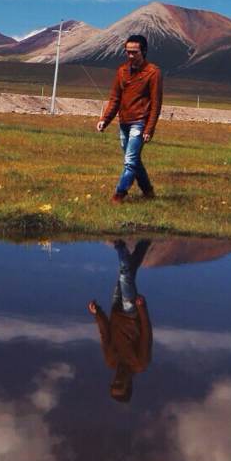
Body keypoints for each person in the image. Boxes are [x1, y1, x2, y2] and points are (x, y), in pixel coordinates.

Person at [96, 33, 162, 203]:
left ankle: (119, 194)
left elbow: (156, 104)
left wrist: (149, 129)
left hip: (139, 123)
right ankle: (148, 191)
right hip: (123, 122)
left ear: (144, 51)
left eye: (135, 52)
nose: (131, 55)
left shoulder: (153, 73)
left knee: (130, 161)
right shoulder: (122, 71)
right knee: (134, 161)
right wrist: (105, 119)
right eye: (128, 52)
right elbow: (115, 99)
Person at [88, 238, 152, 403]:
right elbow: (146, 335)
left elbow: (105, 334)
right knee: (125, 275)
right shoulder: (140, 363)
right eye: (120, 384)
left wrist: (97, 313)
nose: (116, 380)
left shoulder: (110, 361)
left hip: (115, 309)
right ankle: (119, 244)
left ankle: (144, 243)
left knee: (128, 273)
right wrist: (142, 309)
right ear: (128, 384)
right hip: (131, 312)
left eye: (113, 383)